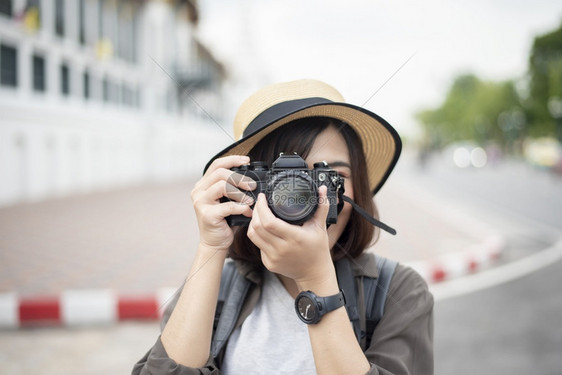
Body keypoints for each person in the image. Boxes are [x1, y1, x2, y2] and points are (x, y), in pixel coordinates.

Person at [133, 79, 434, 374]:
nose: (313, 199)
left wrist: (315, 279)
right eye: (285, 180)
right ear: (249, 186)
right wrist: (210, 248)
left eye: (330, 177)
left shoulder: (400, 291)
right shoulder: (218, 287)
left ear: (358, 188)